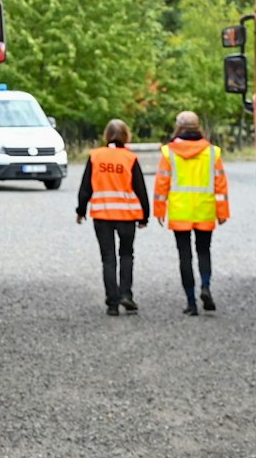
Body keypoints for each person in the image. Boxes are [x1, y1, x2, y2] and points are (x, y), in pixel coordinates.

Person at [154, 110, 231, 315]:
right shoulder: (212, 152)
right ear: (198, 127)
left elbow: (161, 184)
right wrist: (222, 212)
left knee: (185, 256)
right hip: (204, 210)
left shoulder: (168, 152)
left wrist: (159, 210)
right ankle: (205, 286)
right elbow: (220, 185)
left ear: (178, 127)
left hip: (180, 212)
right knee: (204, 251)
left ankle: (191, 302)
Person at [76, 119, 148, 316]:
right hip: (126, 215)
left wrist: (81, 210)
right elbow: (140, 189)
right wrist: (145, 216)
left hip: (102, 215)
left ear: (106, 135)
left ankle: (112, 303)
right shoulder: (130, 158)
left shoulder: (95, 156)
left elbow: (85, 187)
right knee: (126, 255)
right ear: (126, 136)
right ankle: (126, 294)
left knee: (108, 258)